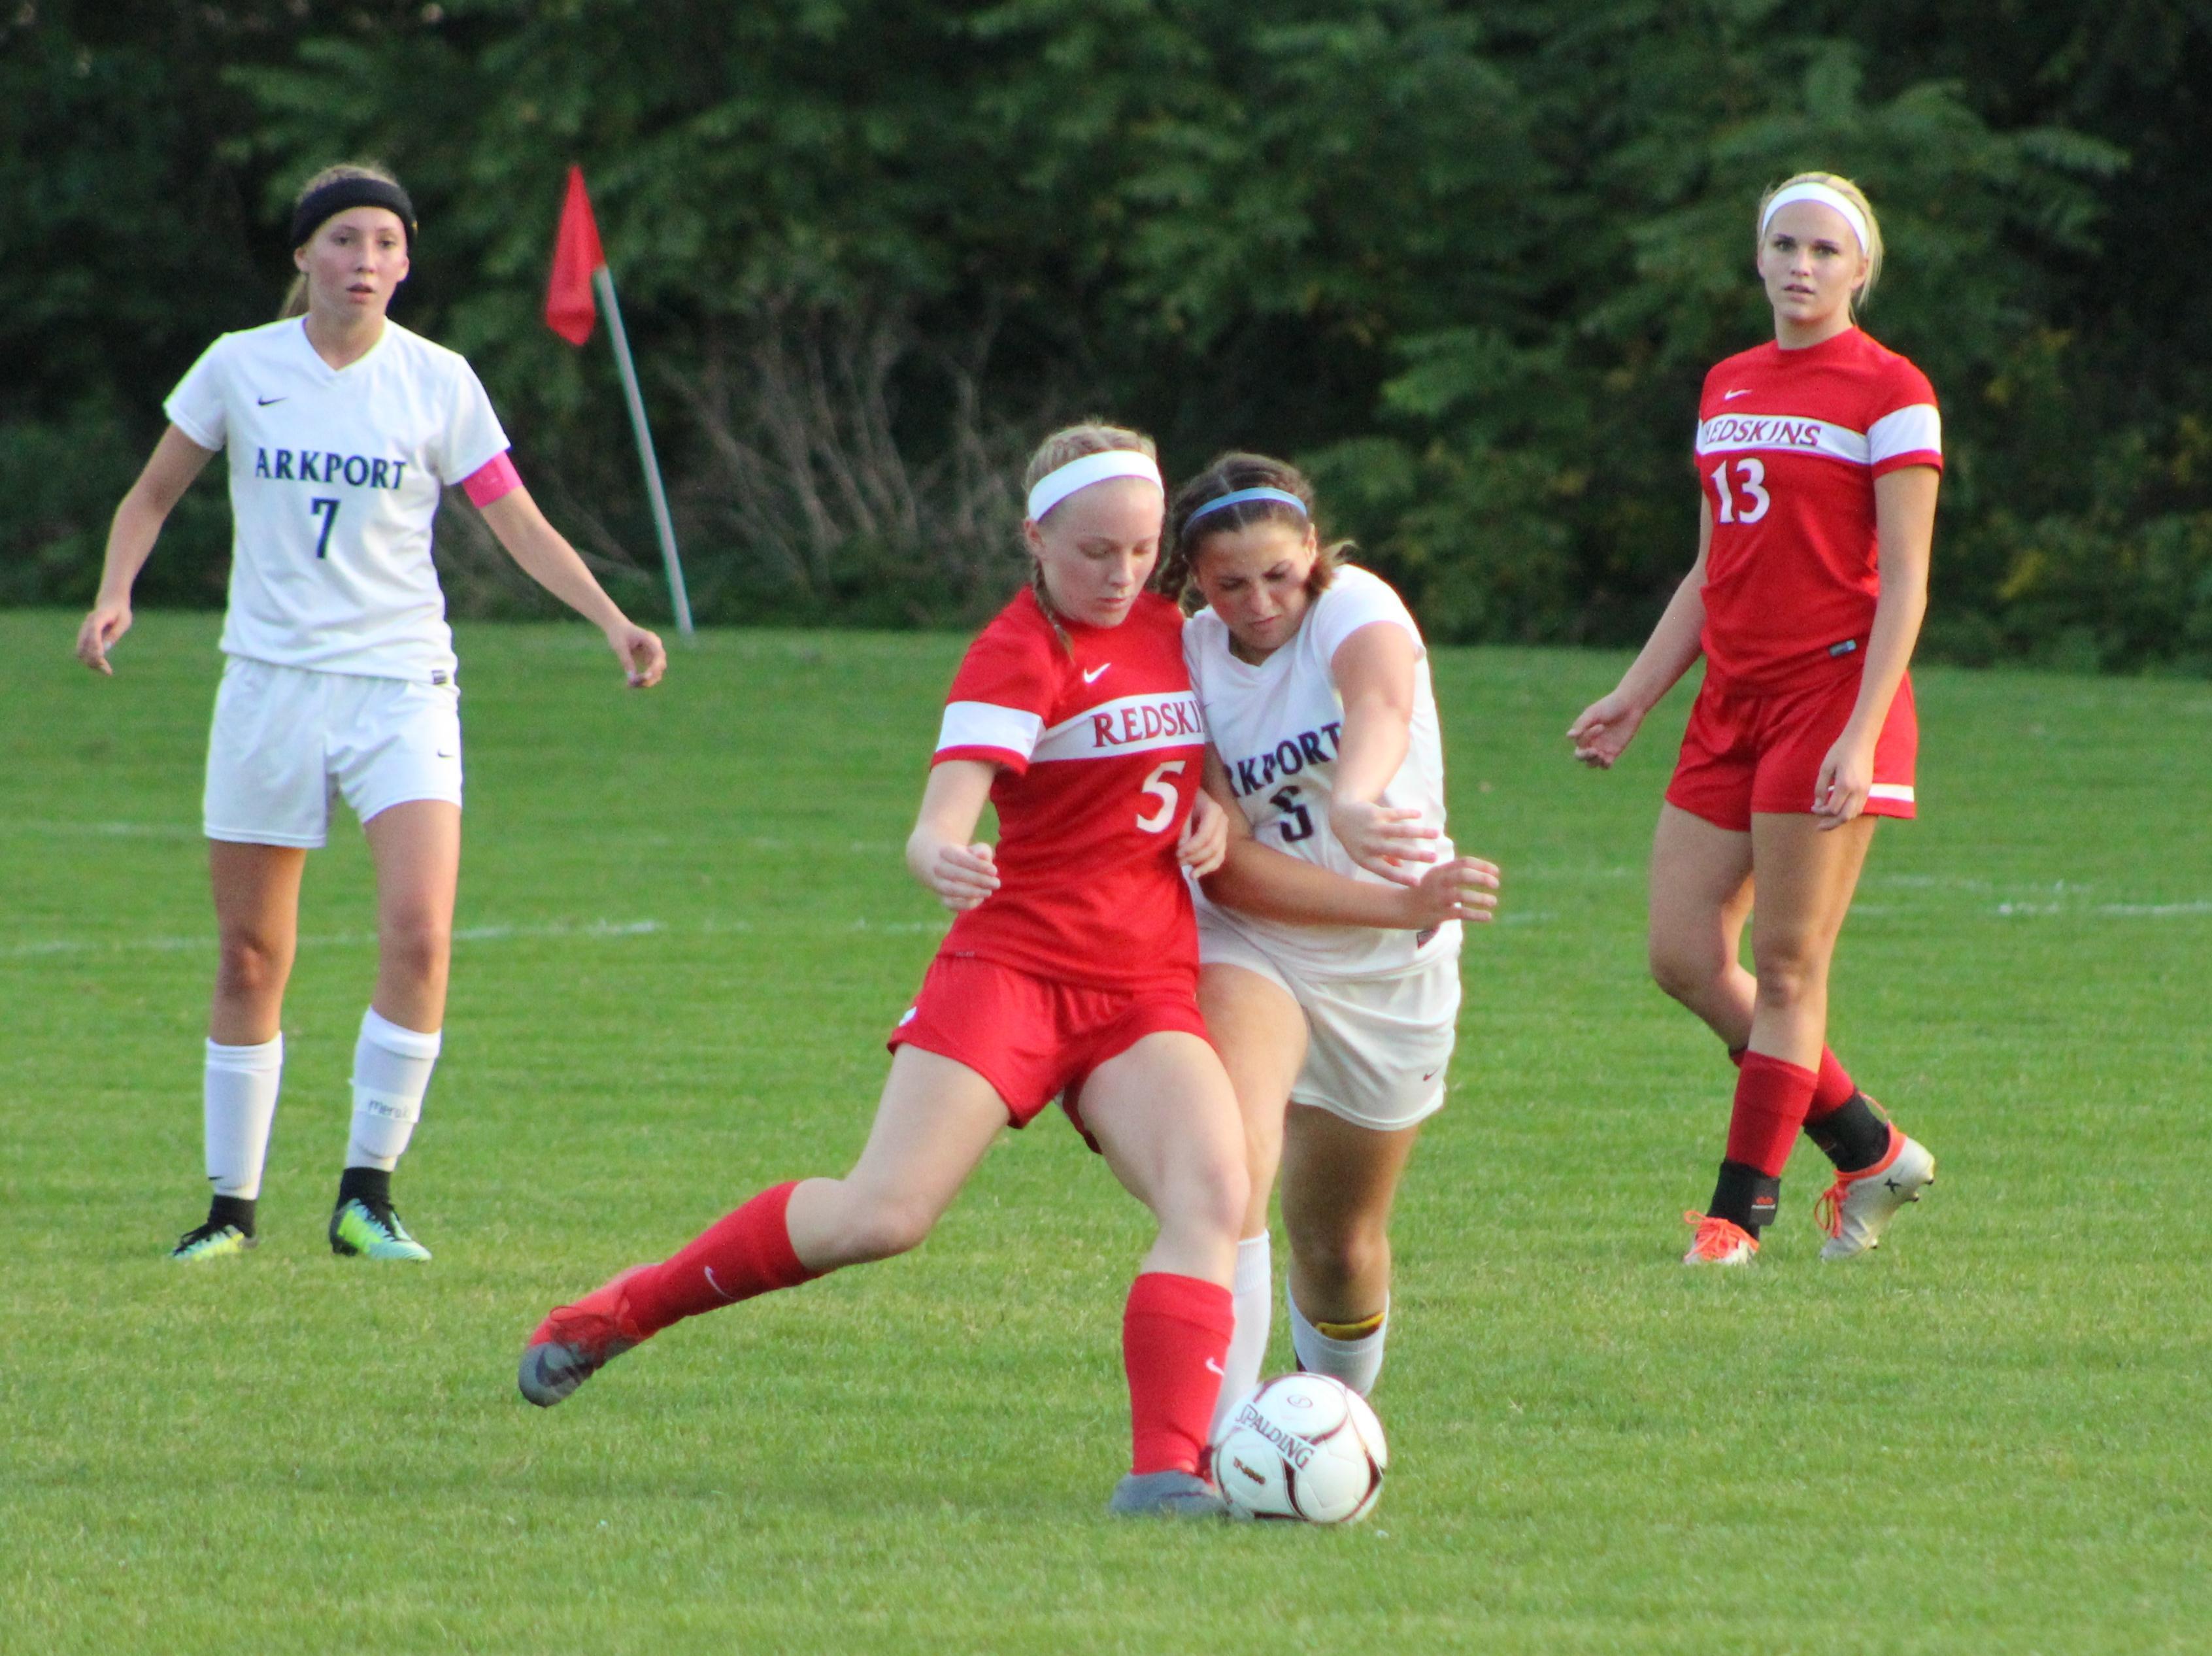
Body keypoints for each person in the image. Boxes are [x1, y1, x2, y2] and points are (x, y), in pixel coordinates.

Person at [518, 424, 1251, 1518]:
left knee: (1214, 1195)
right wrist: (939, 854)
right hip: (1011, 971)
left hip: (1142, 987)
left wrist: (1216, 813)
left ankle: (1164, 1473)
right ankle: (621, 1310)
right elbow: (940, 814)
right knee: (882, 1215)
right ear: (1035, 538)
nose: (1122, 572)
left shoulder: (1175, 631)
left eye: (1143, 550)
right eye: (1095, 550)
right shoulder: (1018, 651)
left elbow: (1202, 762)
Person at [75, 162, 667, 1265]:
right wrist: (117, 591)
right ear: (303, 256)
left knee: (421, 933)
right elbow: (152, 493)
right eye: (345, 240)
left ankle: (366, 1197)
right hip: (268, 685)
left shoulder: (438, 381)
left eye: (387, 243)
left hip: (401, 686)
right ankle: (229, 1214)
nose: (367, 262)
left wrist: (612, 619)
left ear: (406, 261)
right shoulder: (240, 367)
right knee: (252, 953)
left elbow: (516, 519)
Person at [1566, 172, 1941, 1264]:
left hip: (1831, 695)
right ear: (1759, 256)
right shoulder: (1729, 381)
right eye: (1786, 244)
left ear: (1862, 270)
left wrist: (1861, 732)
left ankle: (1737, 1218)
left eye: (1827, 250)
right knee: (1684, 953)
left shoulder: (1891, 388)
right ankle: (1871, 1148)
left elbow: (1909, 581)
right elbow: (1710, 566)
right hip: (1731, 699)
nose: (1802, 265)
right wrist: (1636, 696)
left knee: (1785, 970)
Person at [1155, 454, 1499, 1434]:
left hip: (1394, 972)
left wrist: (1354, 799)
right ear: (1195, 580)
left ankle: (1327, 1430)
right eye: (1230, 584)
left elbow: (1381, 700)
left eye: (1278, 573)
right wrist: (1395, 902)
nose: (1260, 602)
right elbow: (1228, 871)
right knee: (1234, 1167)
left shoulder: (1355, 604)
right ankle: (1213, 1445)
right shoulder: (1189, 656)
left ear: (1312, 548)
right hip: (1256, 939)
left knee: (1342, 1246)